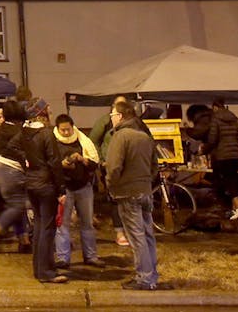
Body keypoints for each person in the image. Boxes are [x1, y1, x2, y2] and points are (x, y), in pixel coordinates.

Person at [106, 100, 165, 290]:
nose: (112, 118)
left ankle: (144, 278)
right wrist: (146, 181)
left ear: (120, 116)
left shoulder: (120, 136)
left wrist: (111, 185)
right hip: (145, 190)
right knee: (148, 234)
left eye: (112, 115)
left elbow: (114, 167)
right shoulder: (144, 137)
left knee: (136, 236)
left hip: (127, 192)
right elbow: (155, 166)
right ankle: (152, 275)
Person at [53, 114, 103, 269]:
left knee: (87, 223)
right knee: (63, 225)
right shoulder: (53, 142)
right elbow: (51, 164)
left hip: (83, 187)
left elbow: (94, 164)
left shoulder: (83, 140)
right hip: (65, 189)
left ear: (73, 127)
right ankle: (63, 258)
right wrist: (63, 164)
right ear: (58, 129)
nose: (66, 133)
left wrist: (82, 160)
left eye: (68, 129)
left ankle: (91, 256)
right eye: (63, 130)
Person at [23, 116, 67, 284]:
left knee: (40, 226)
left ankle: (40, 268)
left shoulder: (25, 134)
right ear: (41, 115)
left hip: (32, 183)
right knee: (47, 229)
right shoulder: (46, 134)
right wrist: (61, 188)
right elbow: (55, 162)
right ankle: (46, 271)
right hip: (46, 184)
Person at [0, 100, 32, 253]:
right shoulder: (18, 130)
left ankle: (23, 239)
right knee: (18, 205)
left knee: (16, 205)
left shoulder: (3, 129)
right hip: (11, 171)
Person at [90, 95, 130, 247]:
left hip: (128, 167)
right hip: (110, 165)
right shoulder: (104, 122)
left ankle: (130, 231)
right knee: (116, 199)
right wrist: (100, 160)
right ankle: (120, 232)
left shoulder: (132, 124)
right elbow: (93, 140)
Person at [205, 98, 238, 220]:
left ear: (215, 107)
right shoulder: (234, 117)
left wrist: (204, 150)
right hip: (236, 154)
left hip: (223, 155)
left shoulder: (215, 118)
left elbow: (212, 139)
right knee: (232, 179)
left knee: (228, 181)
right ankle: (234, 209)